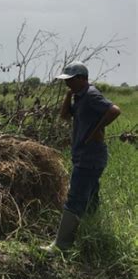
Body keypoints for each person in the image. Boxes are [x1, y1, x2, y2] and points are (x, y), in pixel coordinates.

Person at [41, 61, 121, 253]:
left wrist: (96, 130)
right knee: (91, 196)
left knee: (75, 198)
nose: (67, 83)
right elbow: (64, 116)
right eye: (65, 81)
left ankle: (61, 246)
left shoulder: (91, 95)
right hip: (83, 155)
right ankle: (92, 235)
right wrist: (69, 95)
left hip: (90, 156)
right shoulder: (78, 96)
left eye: (70, 80)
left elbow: (114, 110)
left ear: (82, 78)